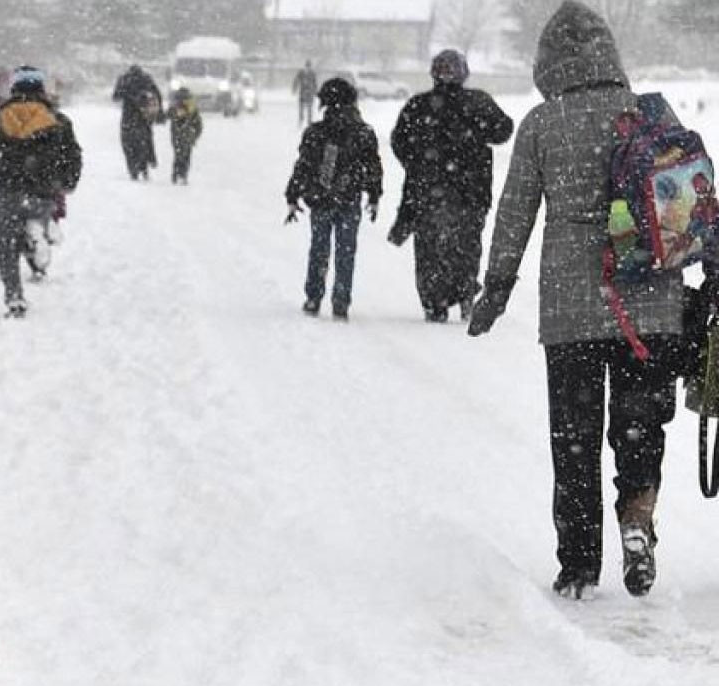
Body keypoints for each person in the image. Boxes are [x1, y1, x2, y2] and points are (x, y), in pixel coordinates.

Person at [468, 1, 682, 600]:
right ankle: (637, 522)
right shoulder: (644, 115)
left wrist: (495, 290)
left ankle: (579, 565)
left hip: (572, 311)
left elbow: (514, 216)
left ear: (548, 62)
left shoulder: (542, 122)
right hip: (651, 304)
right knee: (639, 429)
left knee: (576, 439)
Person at [391, 49, 514, 323]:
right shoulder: (478, 102)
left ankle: (435, 301)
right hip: (471, 191)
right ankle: (464, 292)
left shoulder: (418, 106)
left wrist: (418, 164)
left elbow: (399, 141)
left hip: (428, 192)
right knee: (466, 246)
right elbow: (504, 130)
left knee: (430, 249)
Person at [0, 66, 83, 318]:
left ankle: (14, 296)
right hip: (45, 189)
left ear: (14, 89)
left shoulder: (3, 118)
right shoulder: (59, 121)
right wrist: (68, 182)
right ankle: (40, 236)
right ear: (42, 89)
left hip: (11, 189)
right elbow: (73, 155)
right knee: (37, 219)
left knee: (5, 242)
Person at [284, 78, 382, 321]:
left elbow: (303, 166)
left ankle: (313, 296)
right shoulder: (363, 133)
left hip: (320, 199)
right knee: (345, 251)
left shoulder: (316, 132)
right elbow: (373, 166)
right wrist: (374, 194)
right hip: (350, 199)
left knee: (319, 249)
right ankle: (341, 300)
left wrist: (293, 194)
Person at [112, 65, 163, 181]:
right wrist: (159, 112)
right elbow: (157, 94)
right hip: (143, 115)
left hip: (128, 116)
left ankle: (133, 169)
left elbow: (115, 96)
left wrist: (127, 95)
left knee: (128, 144)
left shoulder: (124, 79)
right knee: (144, 141)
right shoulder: (146, 79)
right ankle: (145, 164)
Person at [167, 87, 203, 185]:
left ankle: (176, 174)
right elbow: (198, 124)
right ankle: (182, 175)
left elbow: (168, 115)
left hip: (177, 136)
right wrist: (195, 135)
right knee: (186, 156)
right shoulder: (192, 109)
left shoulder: (175, 108)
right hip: (188, 136)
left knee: (178, 155)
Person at [292, 60, 318, 127]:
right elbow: (296, 80)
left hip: (309, 93)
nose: (308, 67)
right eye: (307, 66)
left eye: (309, 66)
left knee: (309, 108)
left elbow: (315, 82)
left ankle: (309, 121)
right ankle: (301, 120)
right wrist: (294, 88)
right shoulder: (301, 72)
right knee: (301, 107)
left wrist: (315, 91)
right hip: (303, 92)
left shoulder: (313, 73)